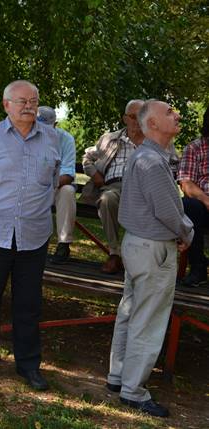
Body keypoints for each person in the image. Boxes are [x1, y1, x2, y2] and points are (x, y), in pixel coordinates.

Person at [0, 80, 60, 391]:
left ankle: (28, 365)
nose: (28, 106)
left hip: (34, 235)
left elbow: (54, 183)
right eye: (21, 101)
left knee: (29, 304)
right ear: (6, 105)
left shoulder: (53, 139)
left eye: (33, 100)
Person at [106, 99, 192, 418]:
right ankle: (133, 390)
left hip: (141, 246)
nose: (177, 114)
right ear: (152, 124)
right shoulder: (151, 161)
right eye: (169, 111)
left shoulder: (151, 156)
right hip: (152, 249)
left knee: (131, 312)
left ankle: (119, 378)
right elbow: (168, 211)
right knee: (148, 319)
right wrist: (187, 234)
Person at [81, 100, 145, 274]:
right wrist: (95, 175)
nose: (137, 120)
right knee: (107, 199)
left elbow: (173, 165)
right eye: (133, 116)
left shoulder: (155, 141)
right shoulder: (110, 139)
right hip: (113, 187)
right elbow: (87, 158)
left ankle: (138, 258)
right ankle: (115, 253)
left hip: (143, 190)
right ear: (125, 118)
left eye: (142, 116)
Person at [37, 106, 76, 264]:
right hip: (30, 189)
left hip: (54, 187)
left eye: (47, 127)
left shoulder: (66, 139)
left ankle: (64, 244)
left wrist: (43, 185)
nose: (42, 131)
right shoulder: (25, 135)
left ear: (56, 124)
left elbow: (67, 175)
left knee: (67, 191)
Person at [178, 108, 209, 287]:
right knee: (188, 205)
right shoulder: (195, 147)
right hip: (203, 205)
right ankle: (198, 268)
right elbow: (186, 183)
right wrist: (206, 200)